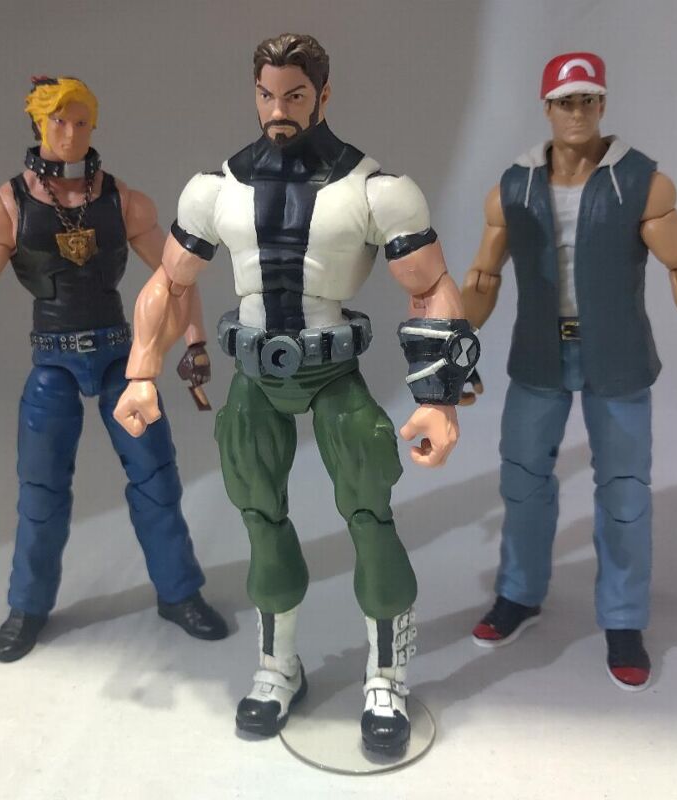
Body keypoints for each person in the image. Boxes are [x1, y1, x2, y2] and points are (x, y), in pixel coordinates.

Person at [115, 34, 479, 755]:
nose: (278, 109)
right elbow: (169, 282)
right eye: (266, 94)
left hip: (332, 372)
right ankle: (278, 666)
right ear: (253, 93)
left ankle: (385, 678)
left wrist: (438, 398)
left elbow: (433, 286)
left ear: (323, 94)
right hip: (255, 374)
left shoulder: (375, 189)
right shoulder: (215, 188)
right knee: (259, 516)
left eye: (295, 95)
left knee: (369, 514)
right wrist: (140, 371)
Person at [461, 52, 677, 691]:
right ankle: (519, 591)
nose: (577, 112)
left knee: (625, 491)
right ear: (547, 108)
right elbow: (482, 277)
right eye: (566, 101)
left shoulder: (640, 182)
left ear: (603, 103)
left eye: (588, 99)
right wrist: (455, 350)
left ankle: (624, 617)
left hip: (617, 355)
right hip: (538, 353)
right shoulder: (513, 187)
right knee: (523, 480)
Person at [0, 76, 228, 664]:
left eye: (80, 122)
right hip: (54, 363)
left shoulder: (124, 202)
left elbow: (176, 275)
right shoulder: (5, 211)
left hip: (123, 360)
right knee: (41, 492)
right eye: (58, 122)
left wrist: (194, 342)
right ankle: (28, 606)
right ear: (38, 125)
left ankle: (179, 592)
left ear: (95, 125)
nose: (69, 134)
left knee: (157, 481)